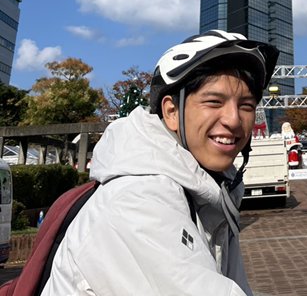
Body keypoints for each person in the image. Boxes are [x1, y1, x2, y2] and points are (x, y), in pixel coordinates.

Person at [41, 30, 279, 296]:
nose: (233, 120)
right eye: (214, 102)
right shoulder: (139, 199)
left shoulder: (206, 191)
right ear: (171, 111)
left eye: (246, 106)